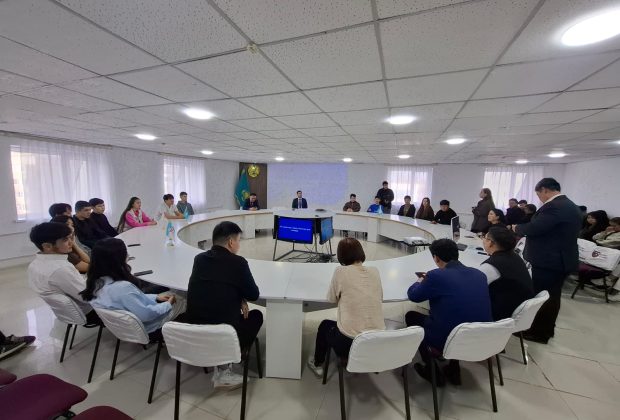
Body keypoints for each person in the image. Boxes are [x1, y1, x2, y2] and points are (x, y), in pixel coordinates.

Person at [185, 221, 263, 389]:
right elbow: (254, 295)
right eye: (239, 240)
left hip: (194, 333)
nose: (239, 245)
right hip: (224, 336)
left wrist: (239, 297)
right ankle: (228, 364)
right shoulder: (238, 263)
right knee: (256, 316)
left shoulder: (199, 259)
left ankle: (218, 363)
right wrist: (242, 296)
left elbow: (214, 285)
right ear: (230, 242)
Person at [405, 239, 492, 386]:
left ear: (436, 258)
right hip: (481, 336)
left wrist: (420, 280)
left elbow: (413, 295)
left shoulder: (435, 275)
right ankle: (453, 368)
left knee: (411, 316)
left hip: (449, 338)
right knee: (460, 317)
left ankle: (432, 371)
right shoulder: (479, 274)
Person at [513, 178, 581, 344]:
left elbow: (536, 227)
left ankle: (540, 333)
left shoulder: (555, 206)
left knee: (545, 297)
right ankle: (543, 329)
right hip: (559, 259)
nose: (539, 198)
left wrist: (517, 228)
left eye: (538, 194)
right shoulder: (568, 205)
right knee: (551, 296)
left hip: (550, 261)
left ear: (545, 190)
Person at [307, 238, 385, 377]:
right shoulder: (375, 271)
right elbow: (380, 297)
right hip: (376, 340)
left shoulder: (341, 272)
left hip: (349, 342)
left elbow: (331, 299)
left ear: (341, 256)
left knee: (325, 325)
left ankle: (318, 362)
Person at [80, 238, 185, 338]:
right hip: (149, 328)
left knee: (167, 294)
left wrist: (156, 297)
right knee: (183, 297)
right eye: (125, 253)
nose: (128, 256)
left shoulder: (94, 282)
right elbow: (146, 314)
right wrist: (168, 304)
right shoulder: (122, 288)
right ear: (118, 260)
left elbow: (134, 299)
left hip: (123, 328)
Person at [27, 222, 98, 322]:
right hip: (89, 311)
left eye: (70, 238)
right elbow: (87, 297)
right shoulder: (61, 269)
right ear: (47, 246)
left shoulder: (34, 264)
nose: (71, 243)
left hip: (67, 312)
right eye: (65, 240)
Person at [478, 227, 534, 320]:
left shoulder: (492, 266)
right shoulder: (514, 256)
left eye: (485, 237)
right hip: (519, 309)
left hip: (502, 315)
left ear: (491, 243)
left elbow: (473, 287)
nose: (483, 240)